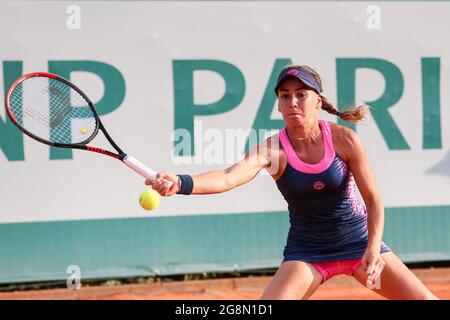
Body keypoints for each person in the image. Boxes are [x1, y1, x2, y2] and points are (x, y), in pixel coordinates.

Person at [147, 64, 438, 300]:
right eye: (285, 96)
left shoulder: (344, 140)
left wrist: (372, 250)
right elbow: (228, 177)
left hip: (359, 244)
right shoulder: (273, 151)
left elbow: (373, 200)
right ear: (278, 105)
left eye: (301, 94)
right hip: (308, 254)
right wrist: (180, 182)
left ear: (318, 100)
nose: (293, 102)